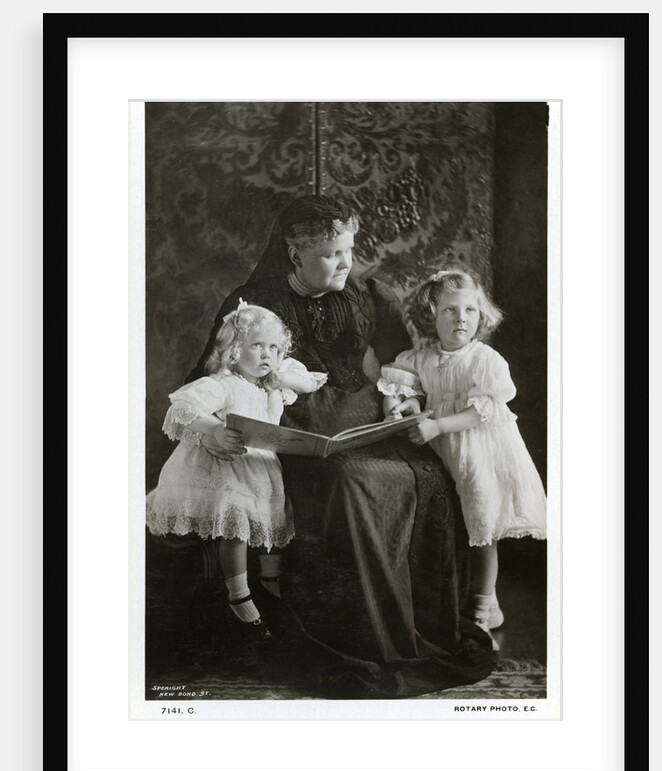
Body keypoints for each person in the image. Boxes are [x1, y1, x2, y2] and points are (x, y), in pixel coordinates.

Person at [188, 195, 496, 697]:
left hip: (366, 418)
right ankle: (359, 633)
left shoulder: (362, 294)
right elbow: (215, 376)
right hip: (293, 428)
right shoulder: (252, 303)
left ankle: (422, 624)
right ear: (295, 254)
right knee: (349, 483)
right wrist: (217, 426)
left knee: (429, 473)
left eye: (349, 250)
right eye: (331, 254)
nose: (346, 262)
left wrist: (403, 399)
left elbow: (391, 362)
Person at [379, 268, 547, 650]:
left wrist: (438, 426)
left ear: (480, 316)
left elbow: (482, 411)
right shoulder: (423, 358)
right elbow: (403, 388)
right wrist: (404, 405)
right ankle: (477, 602)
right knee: (454, 522)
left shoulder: (483, 359)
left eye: (470, 310)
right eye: (450, 310)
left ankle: (482, 607)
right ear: (431, 316)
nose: (461, 318)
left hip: (479, 449)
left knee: (482, 524)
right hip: (441, 447)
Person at [146, 301, 327, 637]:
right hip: (225, 467)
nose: (267, 354)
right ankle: (239, 595)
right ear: (233, 350)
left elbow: (308, 381)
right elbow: (182, 408)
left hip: (260, 467)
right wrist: (214, 429)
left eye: (274, 348)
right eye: (257, 345)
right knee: (236, 523)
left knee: (273, 519)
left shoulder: (273, 385)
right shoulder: (224, 383)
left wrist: (279, 372)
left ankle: (270, 582)